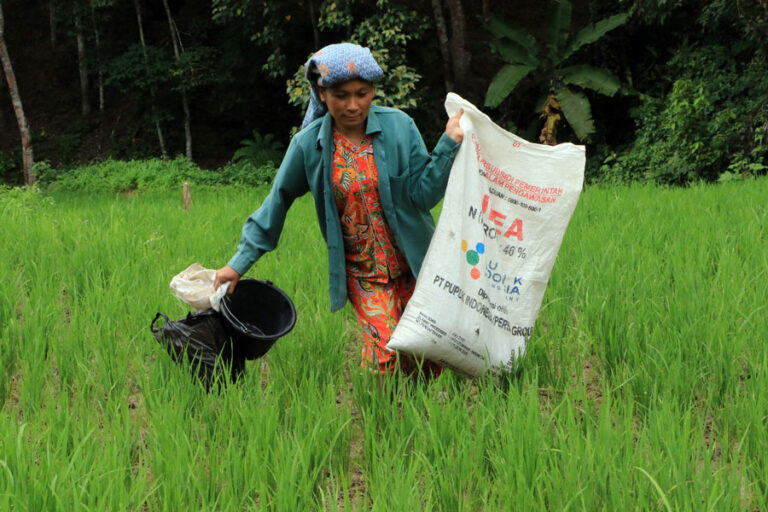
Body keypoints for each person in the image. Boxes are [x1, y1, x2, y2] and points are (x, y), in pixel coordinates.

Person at [214, 42, 463, 375]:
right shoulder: (308, 147)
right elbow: (278, 200)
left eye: (362, 93)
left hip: (417, 264)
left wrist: (448, 145)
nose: (352, 105)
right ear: (322, 93)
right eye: (341, 95)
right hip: (366, 276)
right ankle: (382, 423)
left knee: (427, 355)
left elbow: (424, 194)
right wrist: (238, 264)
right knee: (383, 356)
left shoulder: (399, 127)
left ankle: (411, 419)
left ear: (373, 90)